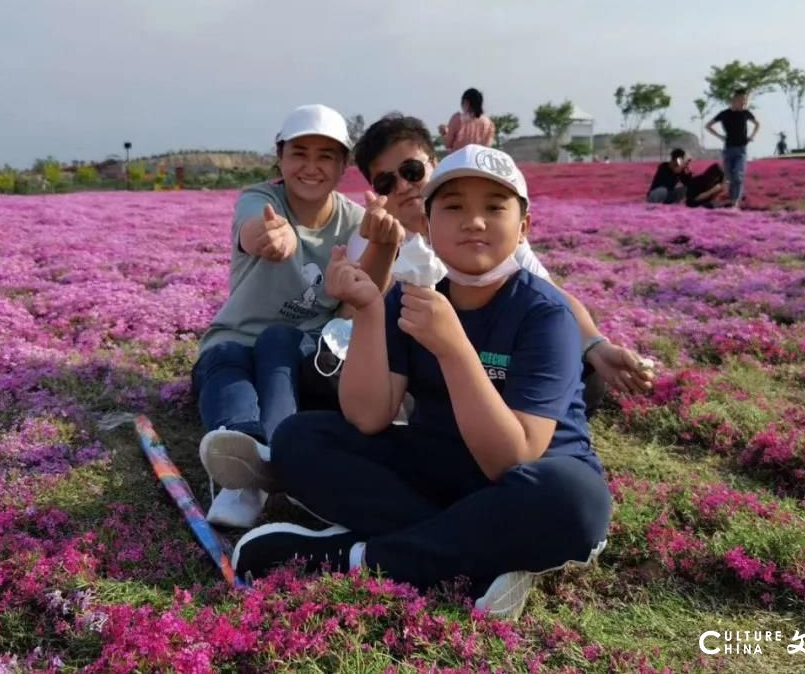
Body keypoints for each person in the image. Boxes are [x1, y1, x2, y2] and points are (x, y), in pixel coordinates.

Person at [227, 146, 612, 621]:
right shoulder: (413, 296)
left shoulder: (544, 313)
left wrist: (453, 348)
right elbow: (368, 417)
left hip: (526, 481)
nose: (474, 221)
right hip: (439, 470)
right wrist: (369, 310)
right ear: (428, 226)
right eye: (454, 207)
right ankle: (471, 551)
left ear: (524, 227)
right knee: (298, 439)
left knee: (575, 504)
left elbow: (509, 459)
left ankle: (354, 558)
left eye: (495, 207)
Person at [344, 114, 653, 409]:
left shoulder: (489, 235)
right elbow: (359, 321)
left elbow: (548, 295)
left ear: (434, 164)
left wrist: (595, 345)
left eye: (411, 171)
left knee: (581, 370)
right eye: (385, 182)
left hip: (494, 356)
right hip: (417, 366)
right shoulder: (369, 238)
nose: (402, 186)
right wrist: (381, 251)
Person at [192, 104, 363, 528]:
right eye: (299, 153)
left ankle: (277, 455)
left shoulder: (356, 221)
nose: (310, 166)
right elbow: (253, 229)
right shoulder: (260, 199)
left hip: (302, 349)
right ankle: (242, 466)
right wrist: (269, 235)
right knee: (224, 363)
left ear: (344, 164)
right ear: (280, 157)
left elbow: (367, 288)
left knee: (280, 347)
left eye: (325, 156)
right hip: (235, 337)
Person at [705, 88, 760, 207]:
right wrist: (720, 136)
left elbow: (757, 124)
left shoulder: (746, 113)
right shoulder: (724, 114)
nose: (744, 103)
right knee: (730, 177)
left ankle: (735, 202)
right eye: (742, 100)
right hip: (728, 150)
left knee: (738, 175)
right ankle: (734, 198)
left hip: (741, 149)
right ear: (734, 99)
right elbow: (708, 126)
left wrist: (751, 136)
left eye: (745, 101)